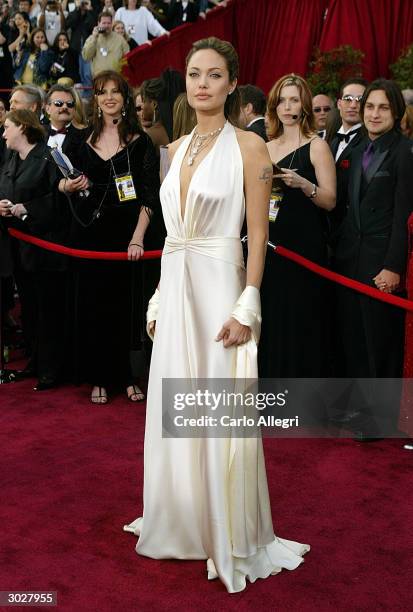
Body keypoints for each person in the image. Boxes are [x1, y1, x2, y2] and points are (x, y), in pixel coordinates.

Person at [124, 37, 309, 594]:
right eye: (194, 73)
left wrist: (247, 303)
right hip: (178, 288)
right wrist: (158, 296)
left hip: (220, 289)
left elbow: (258, 234)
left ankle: (225, 528)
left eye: (214, 75)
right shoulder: (175, 148)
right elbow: (171, 235)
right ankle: (179, 518)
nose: (202, 83)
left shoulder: (251, 148)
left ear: (232, 84)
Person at [63, 70, 160, 404]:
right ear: (96, 98)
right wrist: (68, 186)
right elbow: (60, 183)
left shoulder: (141, 141)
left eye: (115, 92)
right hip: (88, 234)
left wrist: (137, 238)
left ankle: (128, 375)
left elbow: (150, 196)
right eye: (102, 92)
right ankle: (99, 376)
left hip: (126, 238)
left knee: (128, 306)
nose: (108, 98)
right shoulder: (78, 140)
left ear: (125, 98)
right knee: (93, 305)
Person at [334, 79, 413, 439]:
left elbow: (402, 215)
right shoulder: (357, 147)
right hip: (350, 258)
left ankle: (381, 419)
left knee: (380, 338)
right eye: (369, 107)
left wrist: (394, 266)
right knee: (353, 336)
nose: (374, 113)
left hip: (382, 260)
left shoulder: (405, 151)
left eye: (383, 107)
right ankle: (361, 409)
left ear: (396, 112)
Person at [259, 74, 336, 379]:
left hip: (303, 248)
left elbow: (330, 200)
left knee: (301, 318)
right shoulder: (264, 147)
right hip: (267, 242)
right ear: (274, 105)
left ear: (304, 105)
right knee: (271, 315)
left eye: (294, 100)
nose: (288, 107)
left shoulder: (316, 147)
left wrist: (305, 184)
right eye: (282, 100)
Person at [0, 109, 68, 390]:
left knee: (47, 310)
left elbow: (59, 201)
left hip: (46, 250)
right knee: (29, 309)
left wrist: (28, 208)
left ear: (22, 128)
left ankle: (51, 369)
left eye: (7, 127)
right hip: (19, 251)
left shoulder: (48, 157)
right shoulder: (11, 158)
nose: (3, 133)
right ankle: (36, 362)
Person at [328, 78, 367, 240]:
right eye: (348, 99)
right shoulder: (332, 141)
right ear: (339, 104)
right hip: (329, 230)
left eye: (360, 100)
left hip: (354, 233)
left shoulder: (369, 143)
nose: (353, 105)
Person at [82, 10, 129, 77]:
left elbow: (128, 59)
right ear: (98, 23)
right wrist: (94, 38)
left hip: (116, 78)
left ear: (112, 23)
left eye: (109, 23)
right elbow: (86, 57)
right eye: (104, 23)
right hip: (99, 79)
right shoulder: (92, 38)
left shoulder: (120, 39)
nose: (106, 25)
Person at [44, 83, 87, 156]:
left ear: (74, 109)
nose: (65, 107)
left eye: (70, 104)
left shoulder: (84, 137)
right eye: (58, 103)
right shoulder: (38, 134)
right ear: (48, 109)